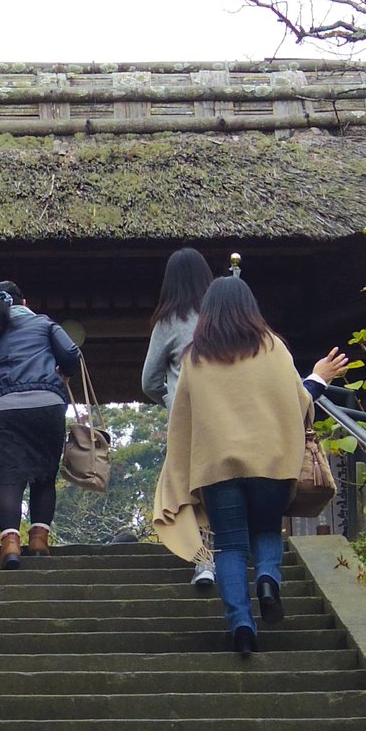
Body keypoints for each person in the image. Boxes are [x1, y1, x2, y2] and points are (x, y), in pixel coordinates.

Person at [152, 275, 349, 655]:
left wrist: (179, 474)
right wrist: (318, 379)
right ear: (250, 306)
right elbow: (297, 404)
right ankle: (267, 580)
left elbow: (183, 419)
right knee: (267, 530)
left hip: (218, 470)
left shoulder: (196, 356)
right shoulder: (273, 348)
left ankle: (241, 624)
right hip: (271, 465)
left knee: (229, 547)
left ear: (208, 312)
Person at [0, 280, 83, 569]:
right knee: (44, 477)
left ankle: (10, 547)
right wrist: (63, 374)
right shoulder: (45, 325)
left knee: (8, 480)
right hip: (46, 406)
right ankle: (38, 542)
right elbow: (72, 355)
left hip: (2, 411)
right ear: (24, 302)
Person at [140, 248, 216, 589]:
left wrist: (172, 402)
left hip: (188, 422)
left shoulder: (170, 321)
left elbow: (149, 381)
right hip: (229, 416)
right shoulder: (225, 317)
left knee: (189, 490)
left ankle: (203, 561)